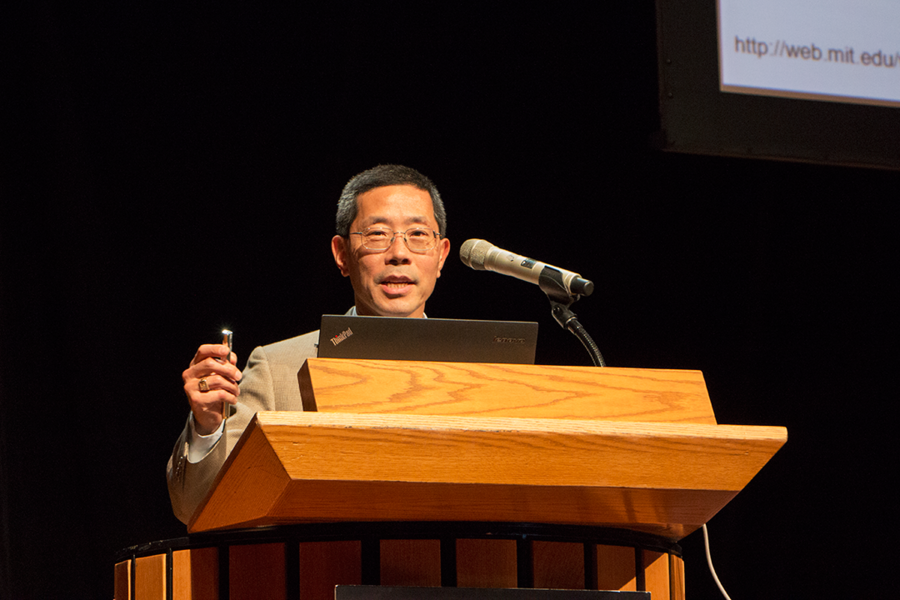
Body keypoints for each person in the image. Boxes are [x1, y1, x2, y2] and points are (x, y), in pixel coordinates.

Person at [167, 165, 452, 524]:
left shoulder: (491, 372)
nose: (399, 252)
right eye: (378, 234)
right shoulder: (278, 369)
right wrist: (208, 428)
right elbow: (197, 508)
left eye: (417, 234)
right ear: (341, 254)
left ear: (441, 255)